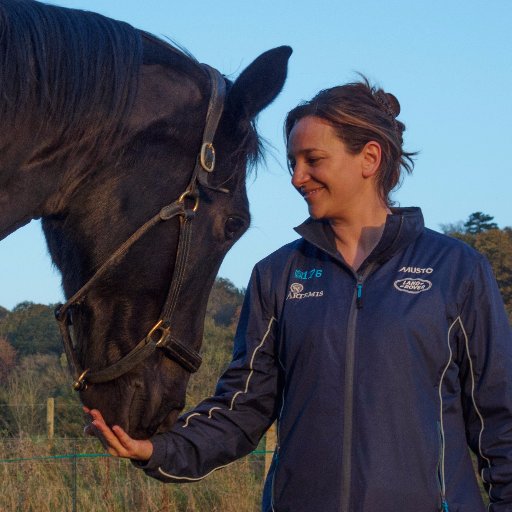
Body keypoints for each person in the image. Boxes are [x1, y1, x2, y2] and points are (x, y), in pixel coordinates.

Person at [85, 78, 512, 512]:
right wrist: (157, 449)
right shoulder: (276, 275)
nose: (296, 177)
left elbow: (499, 419)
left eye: (313, 160)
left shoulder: (456, 269)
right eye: (292, 161)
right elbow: (243, 407)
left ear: (369, 158)